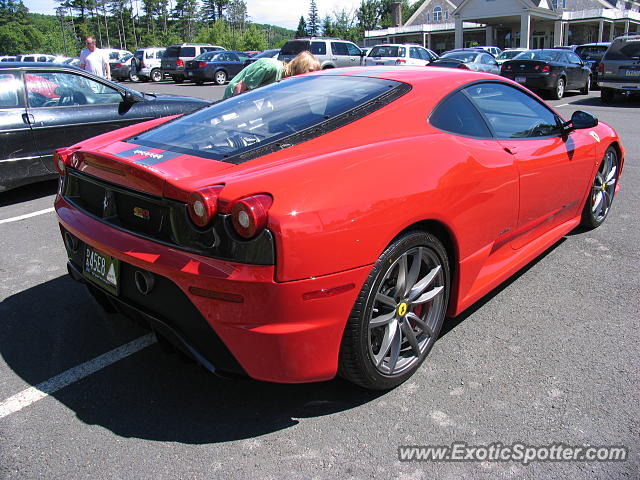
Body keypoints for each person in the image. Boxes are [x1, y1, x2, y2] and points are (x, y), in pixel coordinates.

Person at [224, 51, 321, 99]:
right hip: (232, 99)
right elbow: (239, 88)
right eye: (311, 71)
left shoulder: (286, 80)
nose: (312, 76)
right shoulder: (271, 68)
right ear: (301, 66)